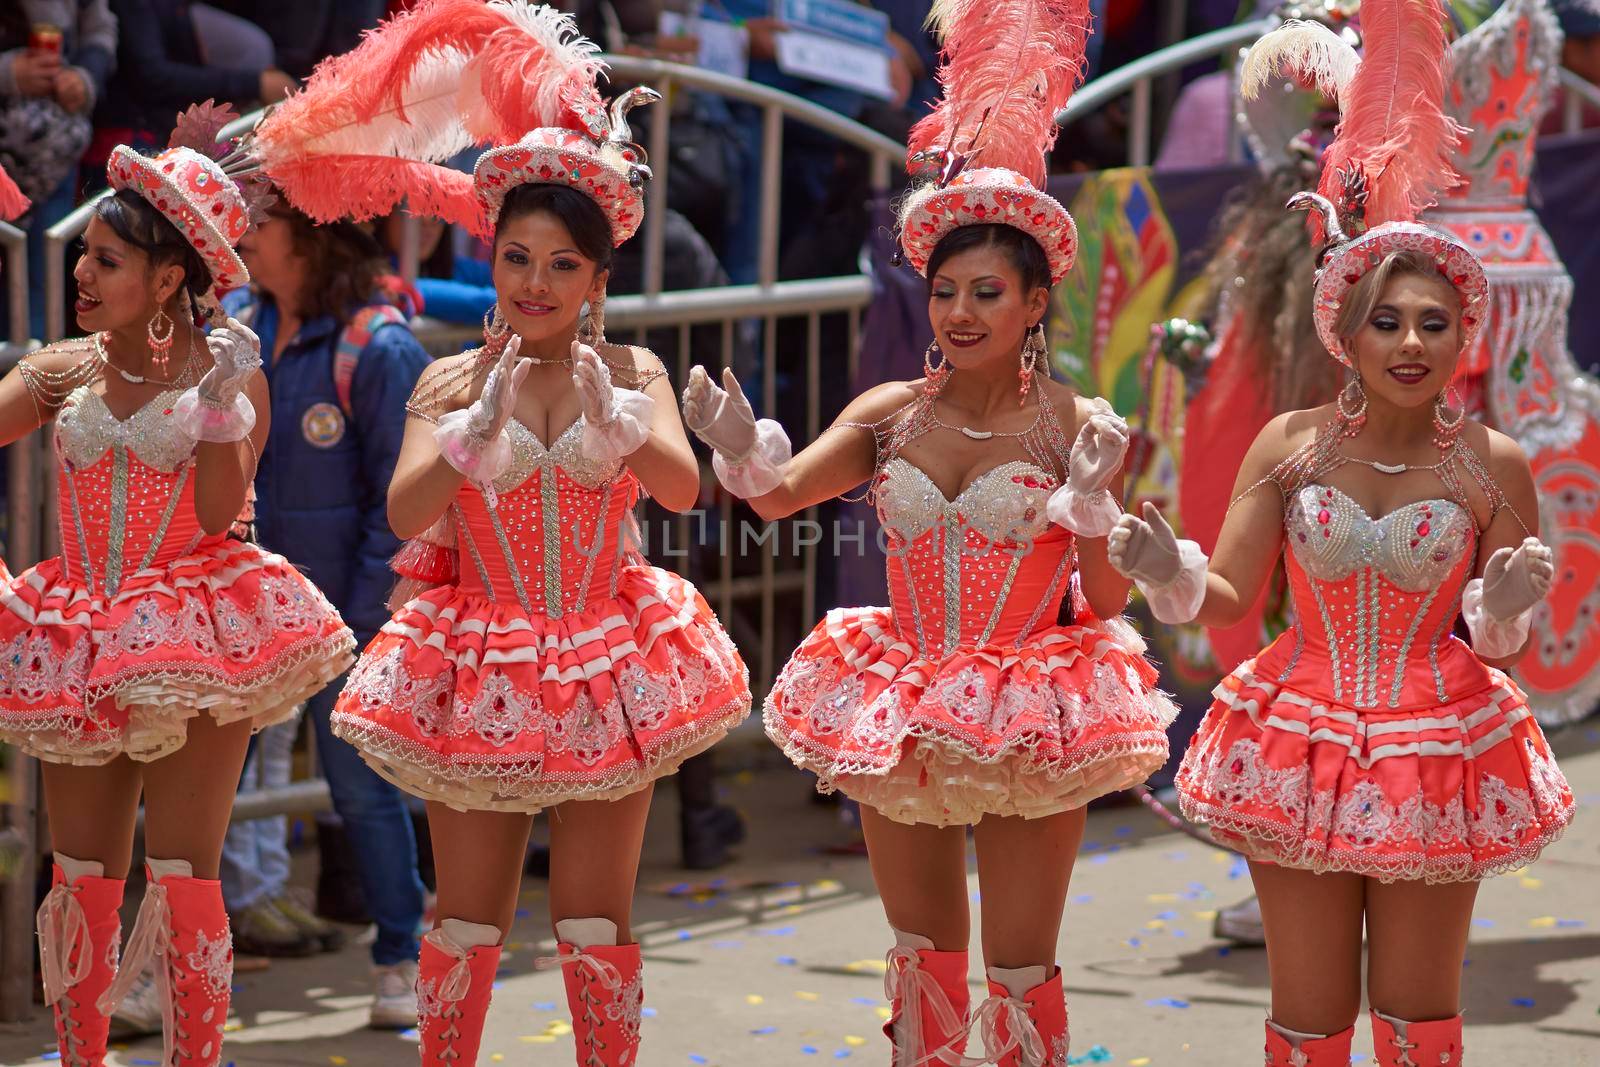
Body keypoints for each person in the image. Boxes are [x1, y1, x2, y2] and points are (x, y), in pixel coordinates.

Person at [680, 3, 1175, 1062]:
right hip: (902, 691)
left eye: (986, 292)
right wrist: (739, 452)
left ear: (1035, 300)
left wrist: (1093, 509)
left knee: (1019, 960)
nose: (957, 311)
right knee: (918, 948)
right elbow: (777, 496)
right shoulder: (886, 409)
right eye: (943, 290)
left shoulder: (1076, 424)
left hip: (1034, 697)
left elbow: (1108, 598)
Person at [265, 5, 751, 1063]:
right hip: (477, 651)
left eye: (561, 265)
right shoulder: (447, 376)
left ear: (598, 280)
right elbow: (403, 512)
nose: (533, 283)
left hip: (604, 651)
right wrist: (467, 435)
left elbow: (680, 492)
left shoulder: (633, 372)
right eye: (517, 258)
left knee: (592, 920)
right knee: (468, 921)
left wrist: (622, 429)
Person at [1106, 5, 1576, 1063]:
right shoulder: (1289, 440)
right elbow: (1227, 593)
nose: (1408, 341)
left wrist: (1497, 610)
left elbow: (1500, 643)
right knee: (1308, 1019)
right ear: (1343, 332)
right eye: (1385, 320)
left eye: (1432, 322)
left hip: (1435, 743)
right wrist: (1164, 569)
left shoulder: (1490, 460)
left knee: (1417, 1021)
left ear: (1464, 336)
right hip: (1301, 734)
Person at [0, 106, 353, 1067]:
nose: (81, 271)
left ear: (168, 278)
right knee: (80, 878)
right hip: (75, 628)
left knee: (186, 873)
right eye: (86, 253)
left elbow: (212, 511)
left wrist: (216, 406)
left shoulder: (229, 373)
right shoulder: (60, 369)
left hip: (193, 635)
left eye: (105, 258)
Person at [219, 197, 434, 1022]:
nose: (242, 226)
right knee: (200, 799)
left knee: (362, 792)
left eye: (262, 217)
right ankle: (165, 960)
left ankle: (399, 959)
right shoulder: (234, 327)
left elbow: (401, 505)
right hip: (235, 612)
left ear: (310, 235)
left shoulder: (377, 348)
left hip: (344, 621)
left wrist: (360, 625)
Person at [0, 1, 118, 340]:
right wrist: (8, 72)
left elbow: (101, 29)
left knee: (40, 284)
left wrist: (84, 78)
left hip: (53, 164)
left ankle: (33, 388)